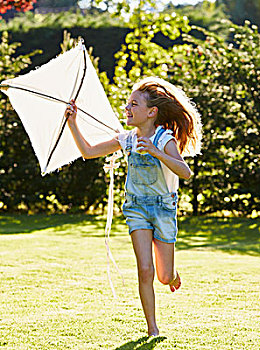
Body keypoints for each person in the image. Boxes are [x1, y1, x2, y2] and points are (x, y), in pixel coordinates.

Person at [65, 76, 202, 336]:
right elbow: (88, 151)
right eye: (128, 103)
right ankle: (152, 329)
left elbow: (185, 173)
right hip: (136, 209)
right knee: (144, 269)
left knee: (163, 276)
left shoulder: (164, 139)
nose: (127, 108)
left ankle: (172, 274)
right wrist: (73, 123)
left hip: (163, 209)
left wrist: (156, 151)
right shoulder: (126, 139)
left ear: (151, 112)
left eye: (134, 104)